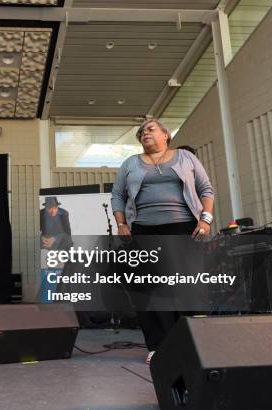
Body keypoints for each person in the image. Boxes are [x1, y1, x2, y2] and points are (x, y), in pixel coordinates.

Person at [110, 119, 214, 365]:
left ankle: (194, 343)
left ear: (165, 135)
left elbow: (206, 189)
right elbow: (117, 195)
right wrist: (122, 224)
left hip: (183, 228)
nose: (144, 133)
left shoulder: (185, 158)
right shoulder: (130, 164)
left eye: (150, 129)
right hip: (145, 229)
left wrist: (206, 219)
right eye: (141, 132)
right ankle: (159, 345)